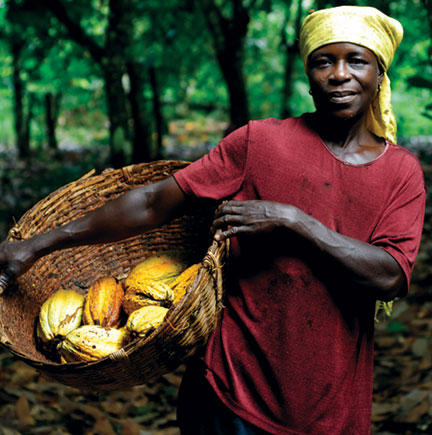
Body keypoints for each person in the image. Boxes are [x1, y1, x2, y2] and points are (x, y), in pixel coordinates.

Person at [0, 5, 426, 434]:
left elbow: (389, 276)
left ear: (379, 73)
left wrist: (294, 221)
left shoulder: (400, 173)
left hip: (331, 410)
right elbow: (152, 203)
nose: (338, 74)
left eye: (356, 60)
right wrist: (35, 246)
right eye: (322, 61)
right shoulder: (260, 142)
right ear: (308, 74)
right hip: (228, 394)